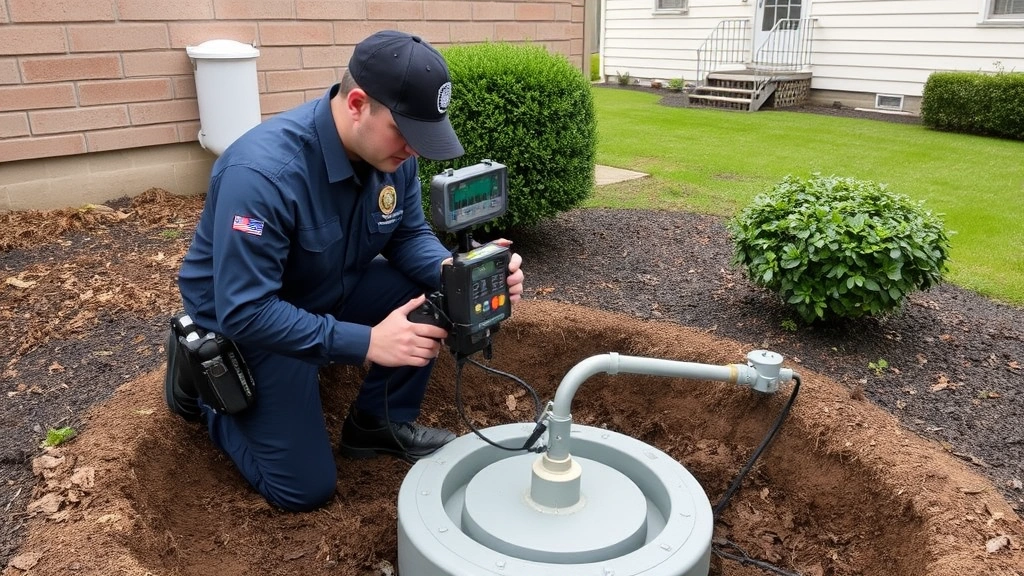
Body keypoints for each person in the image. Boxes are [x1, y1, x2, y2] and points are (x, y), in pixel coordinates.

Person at [163, 30, 525, 512]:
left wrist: (457, 270)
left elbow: (406, 235)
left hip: (325, 291)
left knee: (437, 289)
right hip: (254, 325)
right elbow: (246, 310)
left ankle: (377, 422)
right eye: (406, 134)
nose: (414, 151)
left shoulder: (390, 154)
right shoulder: (263, 174)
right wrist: (369, 343)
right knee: (303, 491)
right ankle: (203, 386)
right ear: (357, 104)